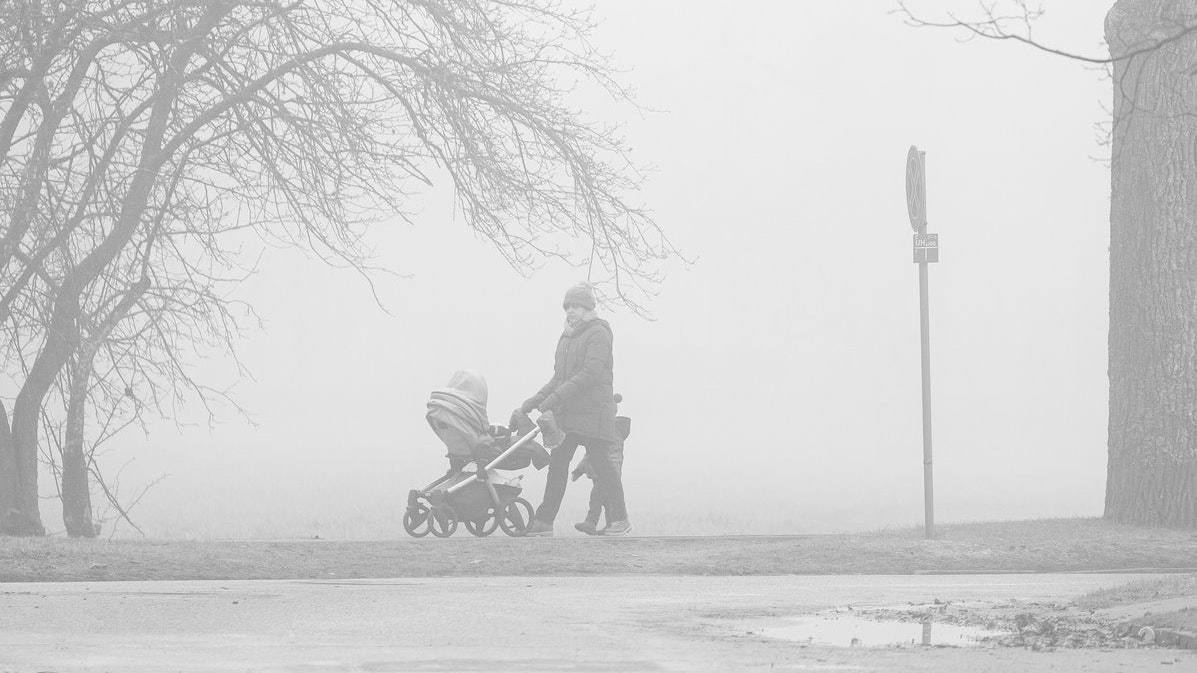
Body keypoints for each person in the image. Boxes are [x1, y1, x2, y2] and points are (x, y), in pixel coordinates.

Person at [517, 282, 631, 537]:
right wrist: (535, 400)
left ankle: (620, 519)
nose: (571, 311)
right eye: (567, 306)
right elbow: (559, 377)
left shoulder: (599, 333)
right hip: (569, 415)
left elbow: (590, 373)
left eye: (576, 306)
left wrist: (555, 398)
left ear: (589, 308)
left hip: (594, 413)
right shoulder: (568, 337)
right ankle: (544, 521)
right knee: (557, 464)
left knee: (602, 466)